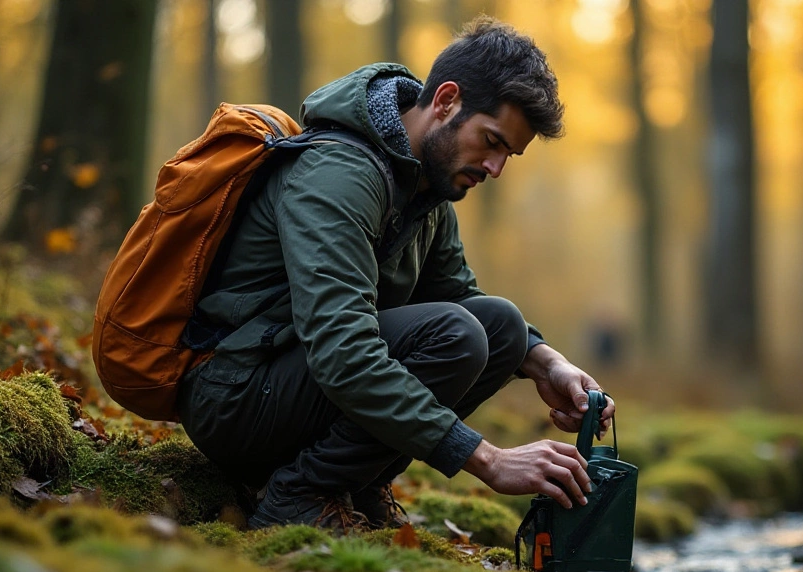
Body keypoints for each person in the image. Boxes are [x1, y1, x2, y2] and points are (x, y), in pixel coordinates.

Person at [177, 18, 615, 530]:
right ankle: (300, 494)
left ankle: (354, 484)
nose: (496, 168)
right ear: (447, 100)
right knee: (458, 336)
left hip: (292, 386)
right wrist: (488, 460)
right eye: (491, 141)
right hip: (236, 395)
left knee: (501, 326)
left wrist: (548, 365)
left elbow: (458, 295)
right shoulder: (338, 175)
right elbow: (344, 351)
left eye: (508, 155)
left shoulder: (427, 189)